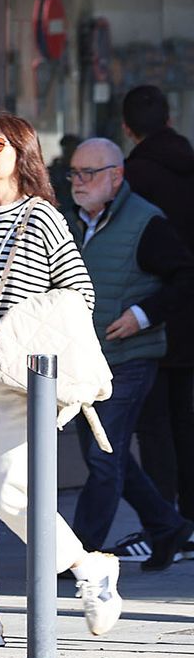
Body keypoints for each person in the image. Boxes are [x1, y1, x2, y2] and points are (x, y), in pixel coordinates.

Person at [0, 112, 122, 649]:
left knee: (11, 489)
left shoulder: (41, 217)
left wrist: (25, 332)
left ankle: (88, 567)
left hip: (20, 376)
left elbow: (79, 296)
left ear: (22, 153)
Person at [65, 138, 194, 570]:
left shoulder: (146, 222)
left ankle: (76, 555)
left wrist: (142, 315)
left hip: (130, 358)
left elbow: (185, 277)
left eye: (89, 173)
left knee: (103, 458)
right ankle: (168, 526)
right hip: (86, 360)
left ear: (116, 176)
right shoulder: (70, 222)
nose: (78, 181)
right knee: (109, 456)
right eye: (74, 172)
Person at [121, 84, 194, 533]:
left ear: (128, 129)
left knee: (154, 426)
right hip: (188, 312)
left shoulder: (130, 179)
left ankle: (165, 524)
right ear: (169, 120)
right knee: (186, 420)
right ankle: (188, 521)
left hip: (150, 314)